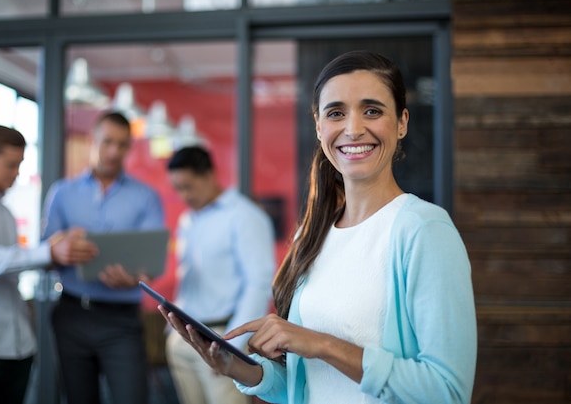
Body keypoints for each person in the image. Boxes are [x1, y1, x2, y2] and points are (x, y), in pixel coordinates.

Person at [158, 50, 478, 404]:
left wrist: (322, 345)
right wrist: (237, 367)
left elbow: (447, 392)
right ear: (318, 126)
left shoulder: (424, 230)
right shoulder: (314, 235)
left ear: (402, 122)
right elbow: (305, 384)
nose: (353, 129)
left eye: (372, 110)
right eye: (336, 113)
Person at [0, 121, 97, 404]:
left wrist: (54, 250)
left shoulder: (3, 211)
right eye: (10, 165)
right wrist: (47, 252)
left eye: (20, 164)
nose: (17, 174)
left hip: (17, 345)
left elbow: (10, 264)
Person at [41, 111, 165, 404]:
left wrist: (136, 277)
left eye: (122, 144)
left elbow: (151, 265)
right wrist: (63, 249)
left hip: (121, 320)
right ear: (92, 140)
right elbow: (44, 254)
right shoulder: (62, 193)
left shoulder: (146, 197)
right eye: (107, 142)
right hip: (71, 314)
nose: (114, 151)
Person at [164, 145, 276, 404]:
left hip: (221, 339)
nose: (183, 195)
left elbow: (258, 284)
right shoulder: (188, 221)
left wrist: (232, 350)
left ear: (210, 175)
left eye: (188, 186)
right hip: (184, 340)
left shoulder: (245, 216)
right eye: (177, 188)